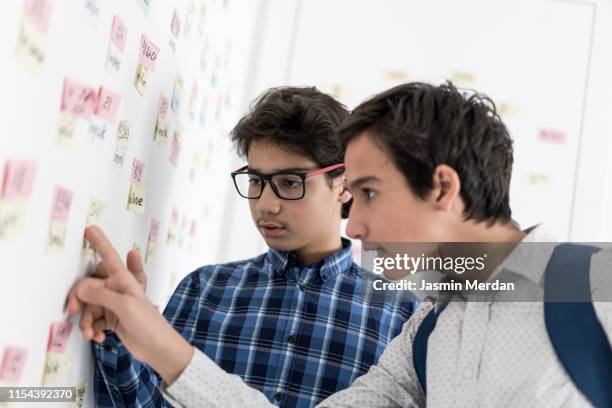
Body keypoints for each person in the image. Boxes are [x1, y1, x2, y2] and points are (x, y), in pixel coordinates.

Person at [70, 82, 611, 407]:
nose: (355, 223)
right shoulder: (424, 337)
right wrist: (148, 336)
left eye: (369, 192)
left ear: (443, 187)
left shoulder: (598, 286)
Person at [66, 86, 417, 408]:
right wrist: (119, 331)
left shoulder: (400, 317)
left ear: (343, 185)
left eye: (290, 182)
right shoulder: (204, 290)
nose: (265, 204)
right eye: (256, 181)